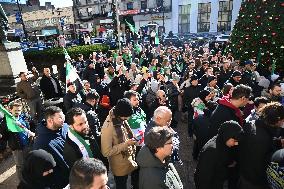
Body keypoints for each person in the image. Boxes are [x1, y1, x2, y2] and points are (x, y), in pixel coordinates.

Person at [238, 102, 284, 189]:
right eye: (283, 120)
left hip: (244, 174)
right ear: (277, 120)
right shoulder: (263, 139)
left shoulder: (252, 124)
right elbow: (260, 161)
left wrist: (277, 143)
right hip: (255, 182)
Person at [194, 121, 244, 189]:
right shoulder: (211, 151)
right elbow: (202, 178)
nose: (236, 144)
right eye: (235, 141)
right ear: (227, 135)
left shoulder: (222, 141)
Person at [101, 98, 137, 189]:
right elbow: (106, 152)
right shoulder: (108, 127)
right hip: (119, 166)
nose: (127, 119)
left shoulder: (118, 117)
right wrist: (126, 144)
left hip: (126, 159)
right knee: (121, 185)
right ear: (120, 114)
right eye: (126, 117)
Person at [33, 106, 69, 188]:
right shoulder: (40, 144)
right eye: (60, 117)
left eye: (62, 115)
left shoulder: (65, 127)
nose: (63, 119)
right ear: (50, 120)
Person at [0, 100, 33, 180]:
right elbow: (4, 137)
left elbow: (32, 124)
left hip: (29, 144)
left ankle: (31, 177)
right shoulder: (6, 122)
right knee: (20, 166)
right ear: (10, 110)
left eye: (19, 110)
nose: (18, 112)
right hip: (17, 148)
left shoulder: (25, 116)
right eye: (15, 110)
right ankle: (23, 182)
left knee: (30, 162)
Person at [124, 90, 147, 189]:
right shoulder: (125, 114)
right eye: (134, 100)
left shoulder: (139, 109)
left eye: (137, 99)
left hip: (143, 144)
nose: (137, 101)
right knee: (136, 168)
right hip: (134, 146)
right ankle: (135, 185)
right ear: (128, 101)